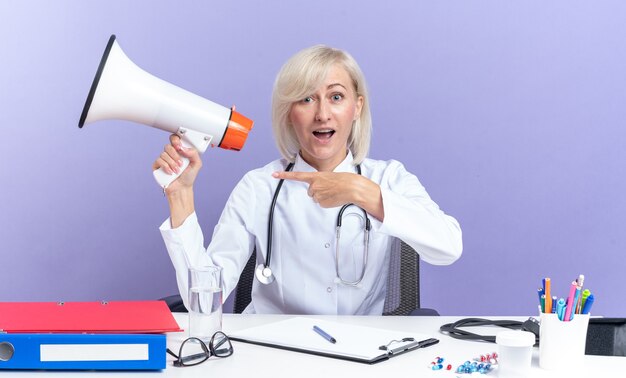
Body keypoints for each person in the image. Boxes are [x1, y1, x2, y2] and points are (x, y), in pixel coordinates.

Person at [155, 45, 462, 315]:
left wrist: (363, 192)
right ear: (290, 112)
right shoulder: (259, 186)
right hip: (272, 350)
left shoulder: (388, 178)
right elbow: (204, 303)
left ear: (357, 108)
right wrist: (180, 196)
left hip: (361, 351)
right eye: (306, 99)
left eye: (336, 97)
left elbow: (449, 247)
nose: (322, 114)